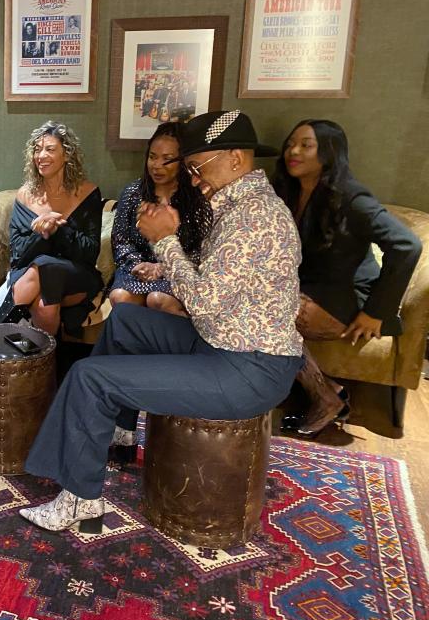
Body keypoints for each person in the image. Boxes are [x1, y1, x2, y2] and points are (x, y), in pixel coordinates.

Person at [19, 110, 303, 532]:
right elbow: (215, 279)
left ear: (237, 159)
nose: (192, 177)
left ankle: (80, 499)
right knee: (126, 321)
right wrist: (167, 260)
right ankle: (118, 432)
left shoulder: (255, 218)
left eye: (196, 166)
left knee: (88, 376)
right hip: (223, 342)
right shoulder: (239, 205)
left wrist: (165, 241)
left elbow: (203, 301)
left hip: (247, 367)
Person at [271, 119, 422, 437]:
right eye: (290, 144)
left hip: (351, 297)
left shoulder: (352, 198)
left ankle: (324, 397)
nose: (293, 151)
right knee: (258, 302)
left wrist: (376, 311)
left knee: (271, 312)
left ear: (329, 152)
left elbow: (407, 246)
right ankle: (323, 390)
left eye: (306, 145)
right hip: (314, 288)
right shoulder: (289, 192)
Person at [0, 121, 102, 336]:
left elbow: (89, 252)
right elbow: (18, 255)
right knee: (44, 304)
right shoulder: (25, 195)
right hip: (28, 273)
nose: (41, 156)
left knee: (45, 265)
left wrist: (58, 230)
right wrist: (40, 233)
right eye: (37, 150)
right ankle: (42, 366)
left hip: (77, 275)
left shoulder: (88, 192)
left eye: (50, 149)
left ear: (67, 155)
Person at [109, 122, 211, 317]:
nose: (156, 165)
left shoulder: (198, 198)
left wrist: (161, 268)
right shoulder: (132, 193)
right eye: (152, 157)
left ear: (182, 161)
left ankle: (166, 345)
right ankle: (128, 345)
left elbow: (203, 249)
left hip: (177, 270)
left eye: (167, 159)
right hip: (136, 268)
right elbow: (120, 240)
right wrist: (138, 264)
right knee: (121, 297)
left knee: (158, 299)